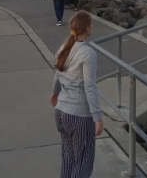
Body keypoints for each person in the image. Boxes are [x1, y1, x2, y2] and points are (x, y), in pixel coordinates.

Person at [50, 11, 103, 178]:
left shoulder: (65, 48)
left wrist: (55, 92)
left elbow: (58, 73)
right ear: (87, 28)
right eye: (91, 24)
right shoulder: (87, 53)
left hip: (61, 112)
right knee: (82, 161)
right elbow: (90, 87)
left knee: (68, 157)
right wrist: (97, 117)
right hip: (79, 115)